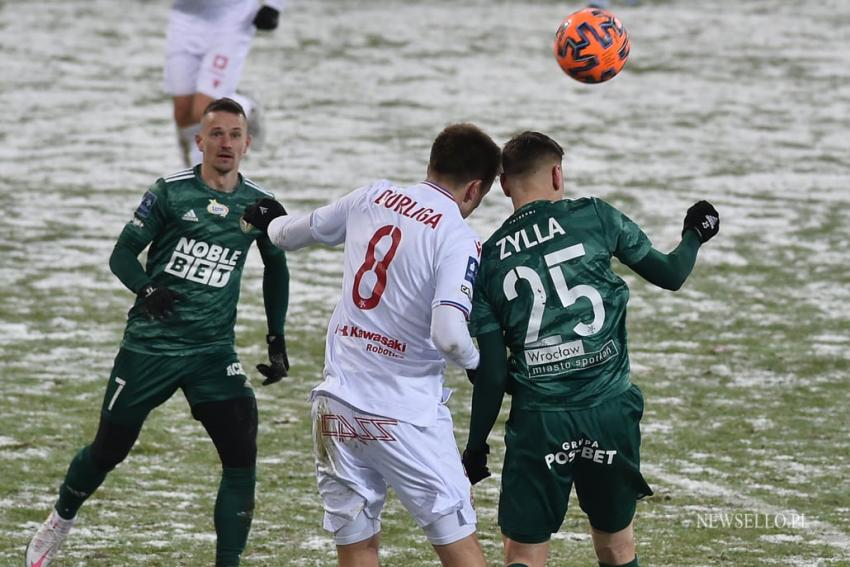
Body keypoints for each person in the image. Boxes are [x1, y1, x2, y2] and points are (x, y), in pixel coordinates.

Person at [25, 98, 290, 567]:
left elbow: (276, 268)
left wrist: (277, 338)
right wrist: (147, 290)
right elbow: (121, 254)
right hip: (150, 347)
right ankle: (60, 519)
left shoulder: (260, 206)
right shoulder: (170, 193)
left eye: (234, 134)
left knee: (241, 451)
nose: (225, 143)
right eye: (216, 134)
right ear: (199, 141)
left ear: (248, 143)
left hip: (212, 353)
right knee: (109, 449)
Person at [241, 123, 501, 567]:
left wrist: (270, 220)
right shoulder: (456, 235)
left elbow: (290, 234)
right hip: (404, 415)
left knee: (359, 546)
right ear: (475, 188)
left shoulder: (371, 197)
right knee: (458, 545)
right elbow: (449, 335)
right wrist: (479, 364)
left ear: (432, 163)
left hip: (337, 407)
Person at [461, 131, 719, 567]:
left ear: (504, 185)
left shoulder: (487, 259)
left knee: (523, 554)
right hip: (609, 412)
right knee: (617, 545)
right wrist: (696, 232)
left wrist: (475, 446)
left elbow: (491, 374)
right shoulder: (594, 216)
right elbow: (672, 274)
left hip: (540, 423)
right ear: (558, 174)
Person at [166, 0, 284, 167]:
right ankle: (191, 180)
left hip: (231, 18)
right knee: (183, 113)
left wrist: (275, 6)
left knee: (204, 110)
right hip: (184, 20)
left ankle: (247, 108)